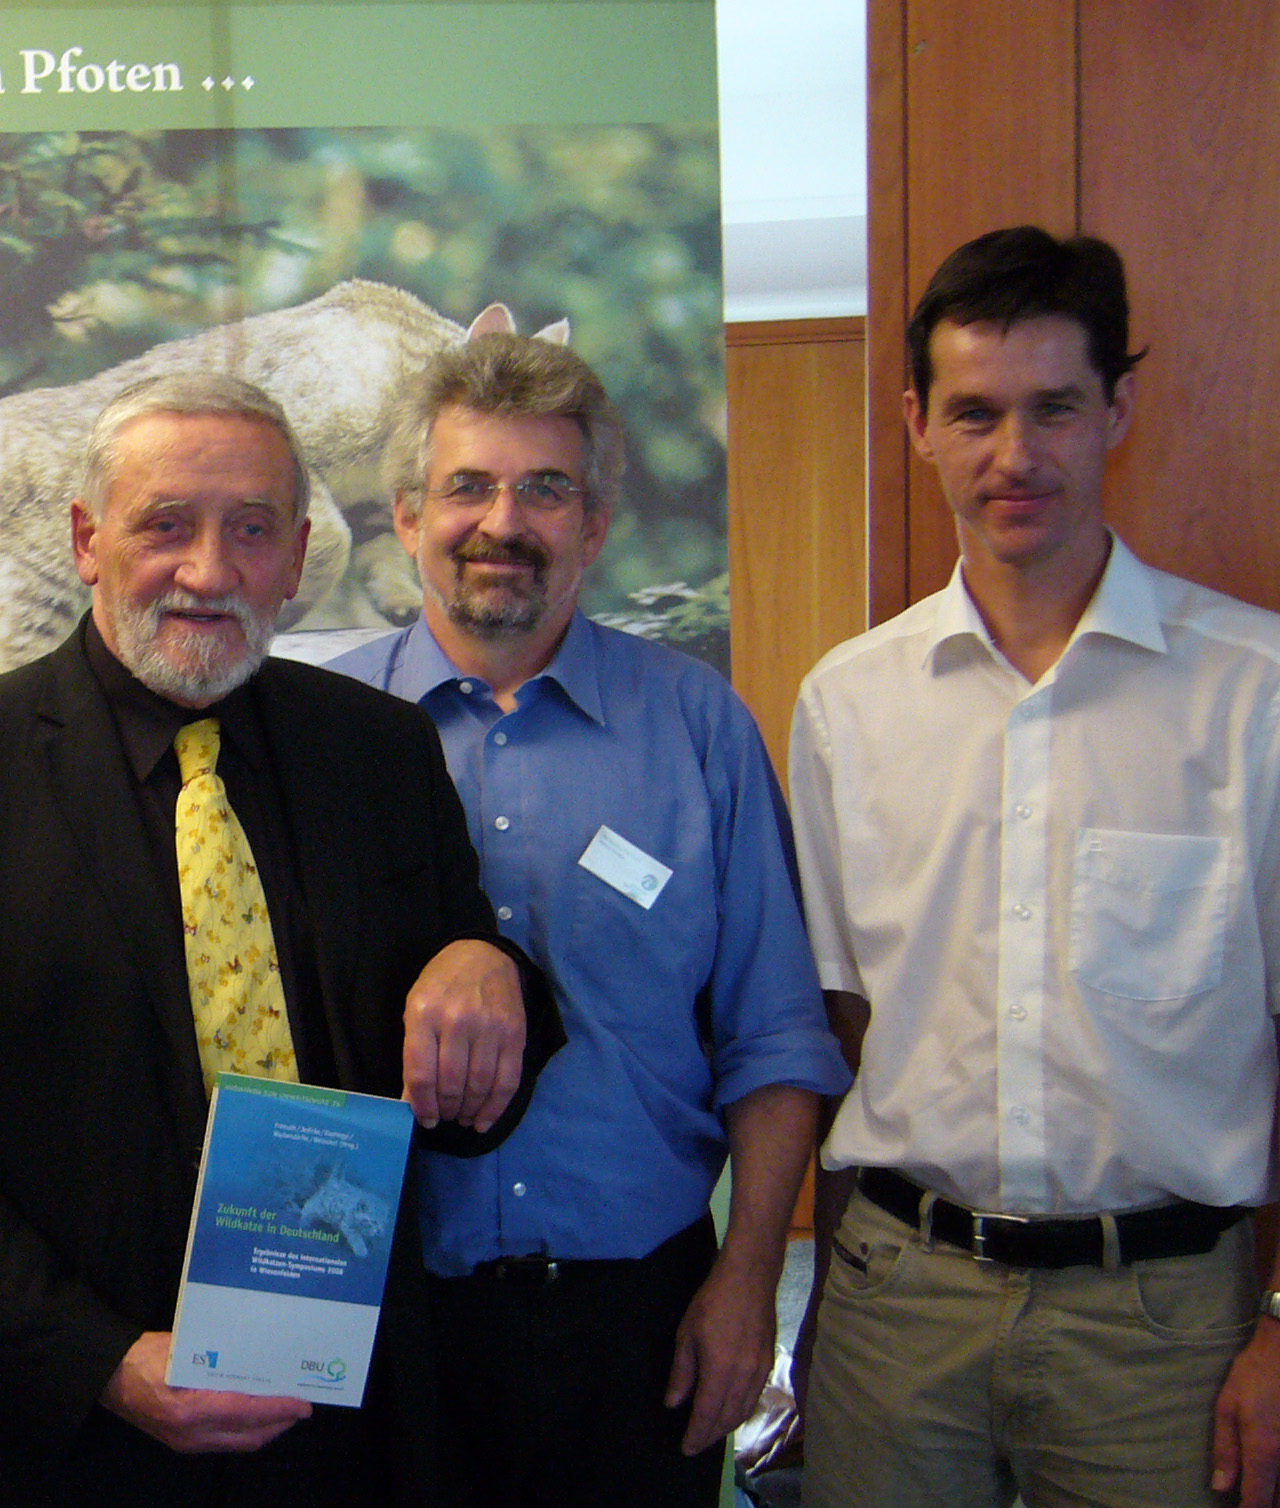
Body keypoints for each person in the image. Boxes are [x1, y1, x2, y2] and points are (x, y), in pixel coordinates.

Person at [0, 370, 562, 1508]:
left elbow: (466, 1082)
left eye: (251, 530)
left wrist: (490, 971)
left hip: (342, 1437)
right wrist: (98, 1363)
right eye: (165, 525)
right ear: (87, 541)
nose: (209, 572)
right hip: (63, 1445)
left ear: (298, 556)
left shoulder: (379, 752)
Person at [791, 226, 1280, 1507]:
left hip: (1164, 1329)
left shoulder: (1255, 696)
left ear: (1117, 407)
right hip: (898, 1309)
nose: (1014, 454)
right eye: (974, 412)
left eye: (1053, 407)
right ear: (916, 422)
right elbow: (843, 1025)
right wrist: (824, 1303)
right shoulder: (846, 704)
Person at [330, 330, 849, 1506]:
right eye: (466, 485)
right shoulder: (319, 730)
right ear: (406, 516)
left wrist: (748, 1279)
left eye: (545, 489)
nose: (501, 521)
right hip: (385, 1322)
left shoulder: (698, 726)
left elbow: (774, 1034)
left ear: (595, 524)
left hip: (639, 1322)